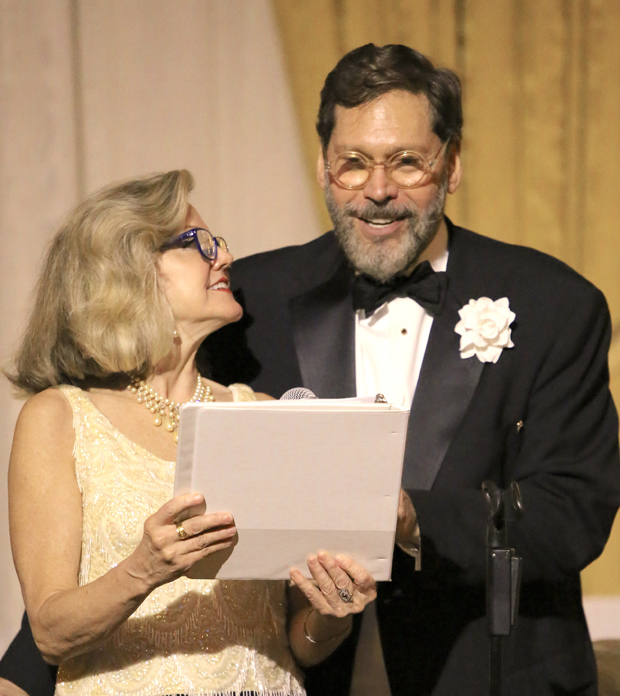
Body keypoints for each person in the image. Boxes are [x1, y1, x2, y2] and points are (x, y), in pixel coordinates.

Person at [199, 44, 620, 694]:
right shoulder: (252, 300)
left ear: (451, 166)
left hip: (492, 676)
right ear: (322, 167)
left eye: (406, 162)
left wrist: (412, 519)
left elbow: (574, 513)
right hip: (301, 673)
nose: (378, 190)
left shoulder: (554, 304)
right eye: (354, 164)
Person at [0, 169, 378, 696]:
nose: (223, 256)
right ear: (128, 270)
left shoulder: (262, 414)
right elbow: (48, 633)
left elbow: (298, 646)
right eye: (198, 243)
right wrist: (145, 569)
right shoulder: (60, 417)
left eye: (218, 242)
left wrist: (332, 614)